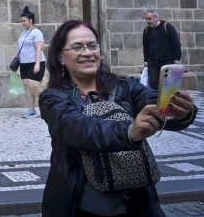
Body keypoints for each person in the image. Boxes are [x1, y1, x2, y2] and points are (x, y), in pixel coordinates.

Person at [40, 19, 197, 217]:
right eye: (77, 47)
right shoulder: (53, 97)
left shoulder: (125, 86)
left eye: (92, 46)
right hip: (79, 200)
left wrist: (180, 112)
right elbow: (76, 129)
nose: (88, 53)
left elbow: (153, 103)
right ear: (61, 57)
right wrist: (129, 132)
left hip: (135, 200)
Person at [17, 6, 46, 118]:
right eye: (21, 21)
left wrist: (37, 64)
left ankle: (50, 104)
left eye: (24, 21)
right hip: (24, 63)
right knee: (26, 86)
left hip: (35, 63)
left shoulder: (36, 32)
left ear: (31, 20)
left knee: (33, 86)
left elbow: (39, 48)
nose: (22, 23)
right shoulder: (23, 32)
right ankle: (32, 110)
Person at [142, 9, 181, 90]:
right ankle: (155, 100)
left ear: (156, 18)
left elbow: (176, 43)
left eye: (149, 19)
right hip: (152, 62)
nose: (147, 21)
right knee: (153, 84)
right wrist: (145, 60)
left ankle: (167, 101)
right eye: (146, 19)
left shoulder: (167, 27)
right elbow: (145, 46)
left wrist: (177, 58)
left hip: (167, 61)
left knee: (167, 83)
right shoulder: (146, 30)